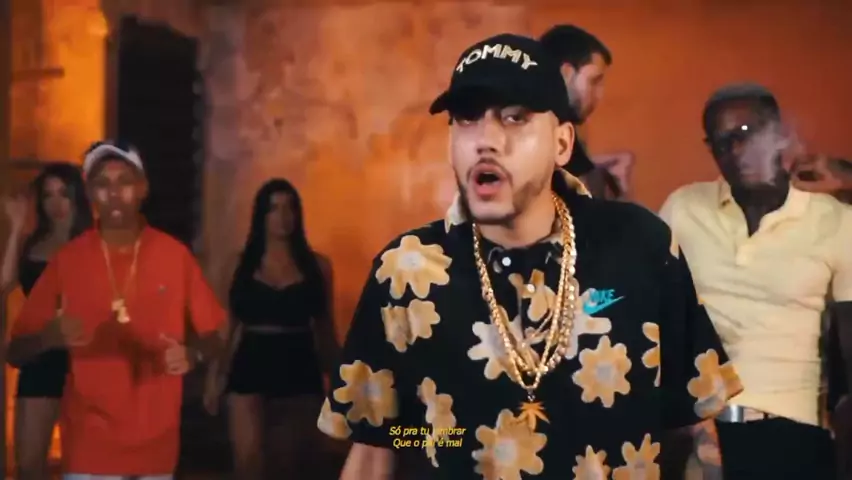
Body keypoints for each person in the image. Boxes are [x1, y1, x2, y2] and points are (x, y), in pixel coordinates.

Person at [317, 33, 741, 479]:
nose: (486, 140)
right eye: (467, 118)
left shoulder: (642, 246)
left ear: (562, 144)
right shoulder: (407, 271)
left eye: (515, 117)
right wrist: (443, 436)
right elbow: (380, 444)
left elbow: (693, 427)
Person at [659, 83, 852, 479]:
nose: (734, 151)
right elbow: (649, 312)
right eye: (721, 142)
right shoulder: (684, 207)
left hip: (790, 428)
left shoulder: (835, 222)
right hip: (699, 430)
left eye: (745, 134)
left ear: (778, 133)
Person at [5, 140, 226, 480]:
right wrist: (49, 337)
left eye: (124, 181)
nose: (113, 193)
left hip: (156, 449)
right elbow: (16, 351)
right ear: (90, 193)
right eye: (102, 184)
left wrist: (193, 354)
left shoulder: (174, 256)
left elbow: (216, 336)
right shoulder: (69, 260)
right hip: (89, 448)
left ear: (142, 188)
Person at [203, 178, 338, 479]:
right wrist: (215, 377)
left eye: (289, 208)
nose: (282, 216)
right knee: (249, 462)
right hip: (250, 364)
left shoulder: (317, 266)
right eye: (274, 208)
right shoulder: (239, 265)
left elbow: (326, 330)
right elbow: (226, 328)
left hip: (298, 365)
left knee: (289, 464)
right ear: (261, 216)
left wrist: (339, 381)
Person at [1, 163, 92, 480]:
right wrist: (15, 227)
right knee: (28, 465)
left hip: (82, 356)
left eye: (63, 194)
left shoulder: (93, 242)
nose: (55, 203)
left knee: (84, 465)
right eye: (48, 195)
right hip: (39, 353)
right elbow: (4, 283)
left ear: (76, 197)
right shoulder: (34, 242)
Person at [539, 24, 612, 185]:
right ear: (566, 73)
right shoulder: (542, 128)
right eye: (594, 81)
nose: (599, 95)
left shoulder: (557, 122)